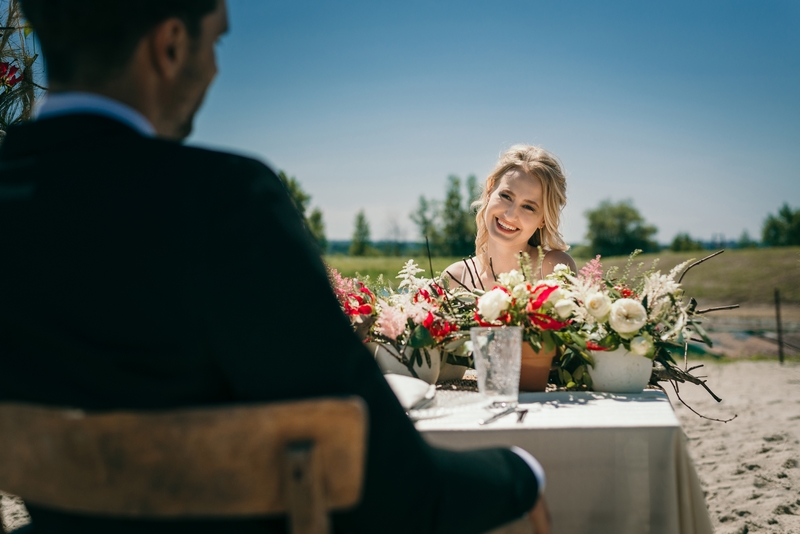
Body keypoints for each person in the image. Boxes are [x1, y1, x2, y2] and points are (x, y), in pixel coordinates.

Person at [0, 1, 550, 533]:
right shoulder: (223, 202)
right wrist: (524, 473)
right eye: (215, 41)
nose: (216, 67)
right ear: (169, 45)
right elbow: (383, 484)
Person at [446, 145, 577, 290]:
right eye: (506, 196)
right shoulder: (454, 278)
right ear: (490, 190)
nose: (510, 215)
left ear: (543, 219)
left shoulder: (554, 268)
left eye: (528, 207)